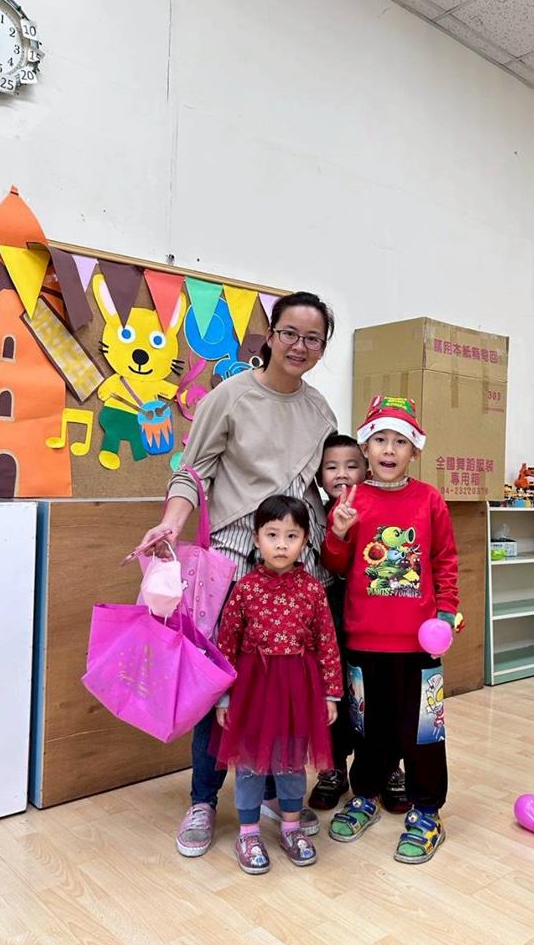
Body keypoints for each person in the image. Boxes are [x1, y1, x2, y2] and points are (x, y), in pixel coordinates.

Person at [134, 291, 337, 857]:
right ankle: (204, 799)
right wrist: (171, 525)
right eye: (290, 333)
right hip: (234, 566)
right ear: (270, 336)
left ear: (323, 348)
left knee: (285, 687)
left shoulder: (321, 411)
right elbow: (191, 472)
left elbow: (325, 486)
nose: (299, 346)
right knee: (221, 686)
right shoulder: (230, 396)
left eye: (313, 338)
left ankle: (272, 794)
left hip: (299, 571)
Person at [321, 395, 460, 864]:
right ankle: (365, 795)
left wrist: (446, 612)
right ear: (366, 447)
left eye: (400, 441)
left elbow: (445, 561)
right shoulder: (350, 500)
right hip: (364, 641)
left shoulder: (430, 499)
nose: (388, 449)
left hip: (421, 644)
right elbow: (335, 565)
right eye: (380, 439)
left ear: (414, 450)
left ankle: (427, 810)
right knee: (368, 729)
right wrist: (339, 533)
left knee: (424, 732)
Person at [215, 495, 342, 874]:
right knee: (250, 765)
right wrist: (223, 698)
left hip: (298, 691)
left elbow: (327, 643)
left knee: (291, 763)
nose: (282, 544)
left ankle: (290, 827)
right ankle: (248, 833)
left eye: (292, 535)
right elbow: (226, 643)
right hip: (253, 690)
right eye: (272, 535)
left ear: (305, 540)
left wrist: (330, 694)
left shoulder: (313, 590)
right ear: (256, 539)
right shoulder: (245, 589)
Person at [307, 434, 410, 815]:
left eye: (351, 466)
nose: (342, 474)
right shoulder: (314, 513)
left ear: (366, 469)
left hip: (376, 620)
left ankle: (389, 767)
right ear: (318, 476)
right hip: (330, 618)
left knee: (382, 696)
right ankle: (332, 767)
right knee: (331, 691)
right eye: (331, 467)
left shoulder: (380, 504)